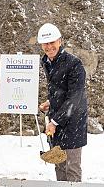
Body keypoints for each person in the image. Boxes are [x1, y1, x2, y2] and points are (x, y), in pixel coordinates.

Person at [38, 23, 88, 182]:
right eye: (46, 43)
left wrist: (54, 121)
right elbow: (61, 89)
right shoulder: (46, 61)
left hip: (73, 122)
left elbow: (75, 97)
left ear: (60, 41)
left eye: (52, 42)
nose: (49, 46)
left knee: (71, 167)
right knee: (59, 163)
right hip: (58, 120)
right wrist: (50, 102)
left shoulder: (74, 64)